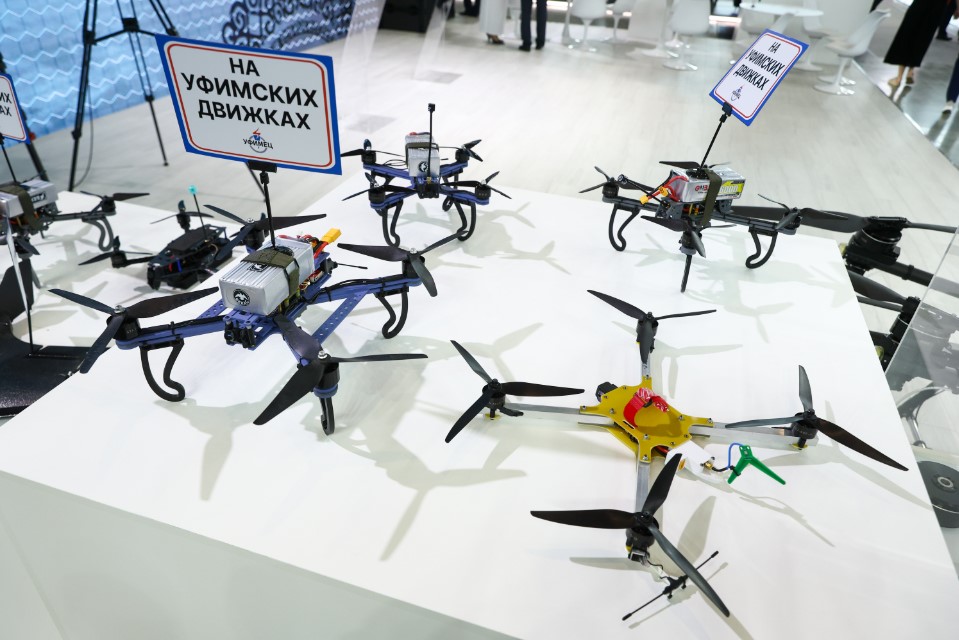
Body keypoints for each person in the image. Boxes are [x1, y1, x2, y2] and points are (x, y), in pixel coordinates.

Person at [885, 0, 958, 88]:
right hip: (938, 8)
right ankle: (910, 71)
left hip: (921, 4)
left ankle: (899, 78)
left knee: (907, 35)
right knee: (923, 39)